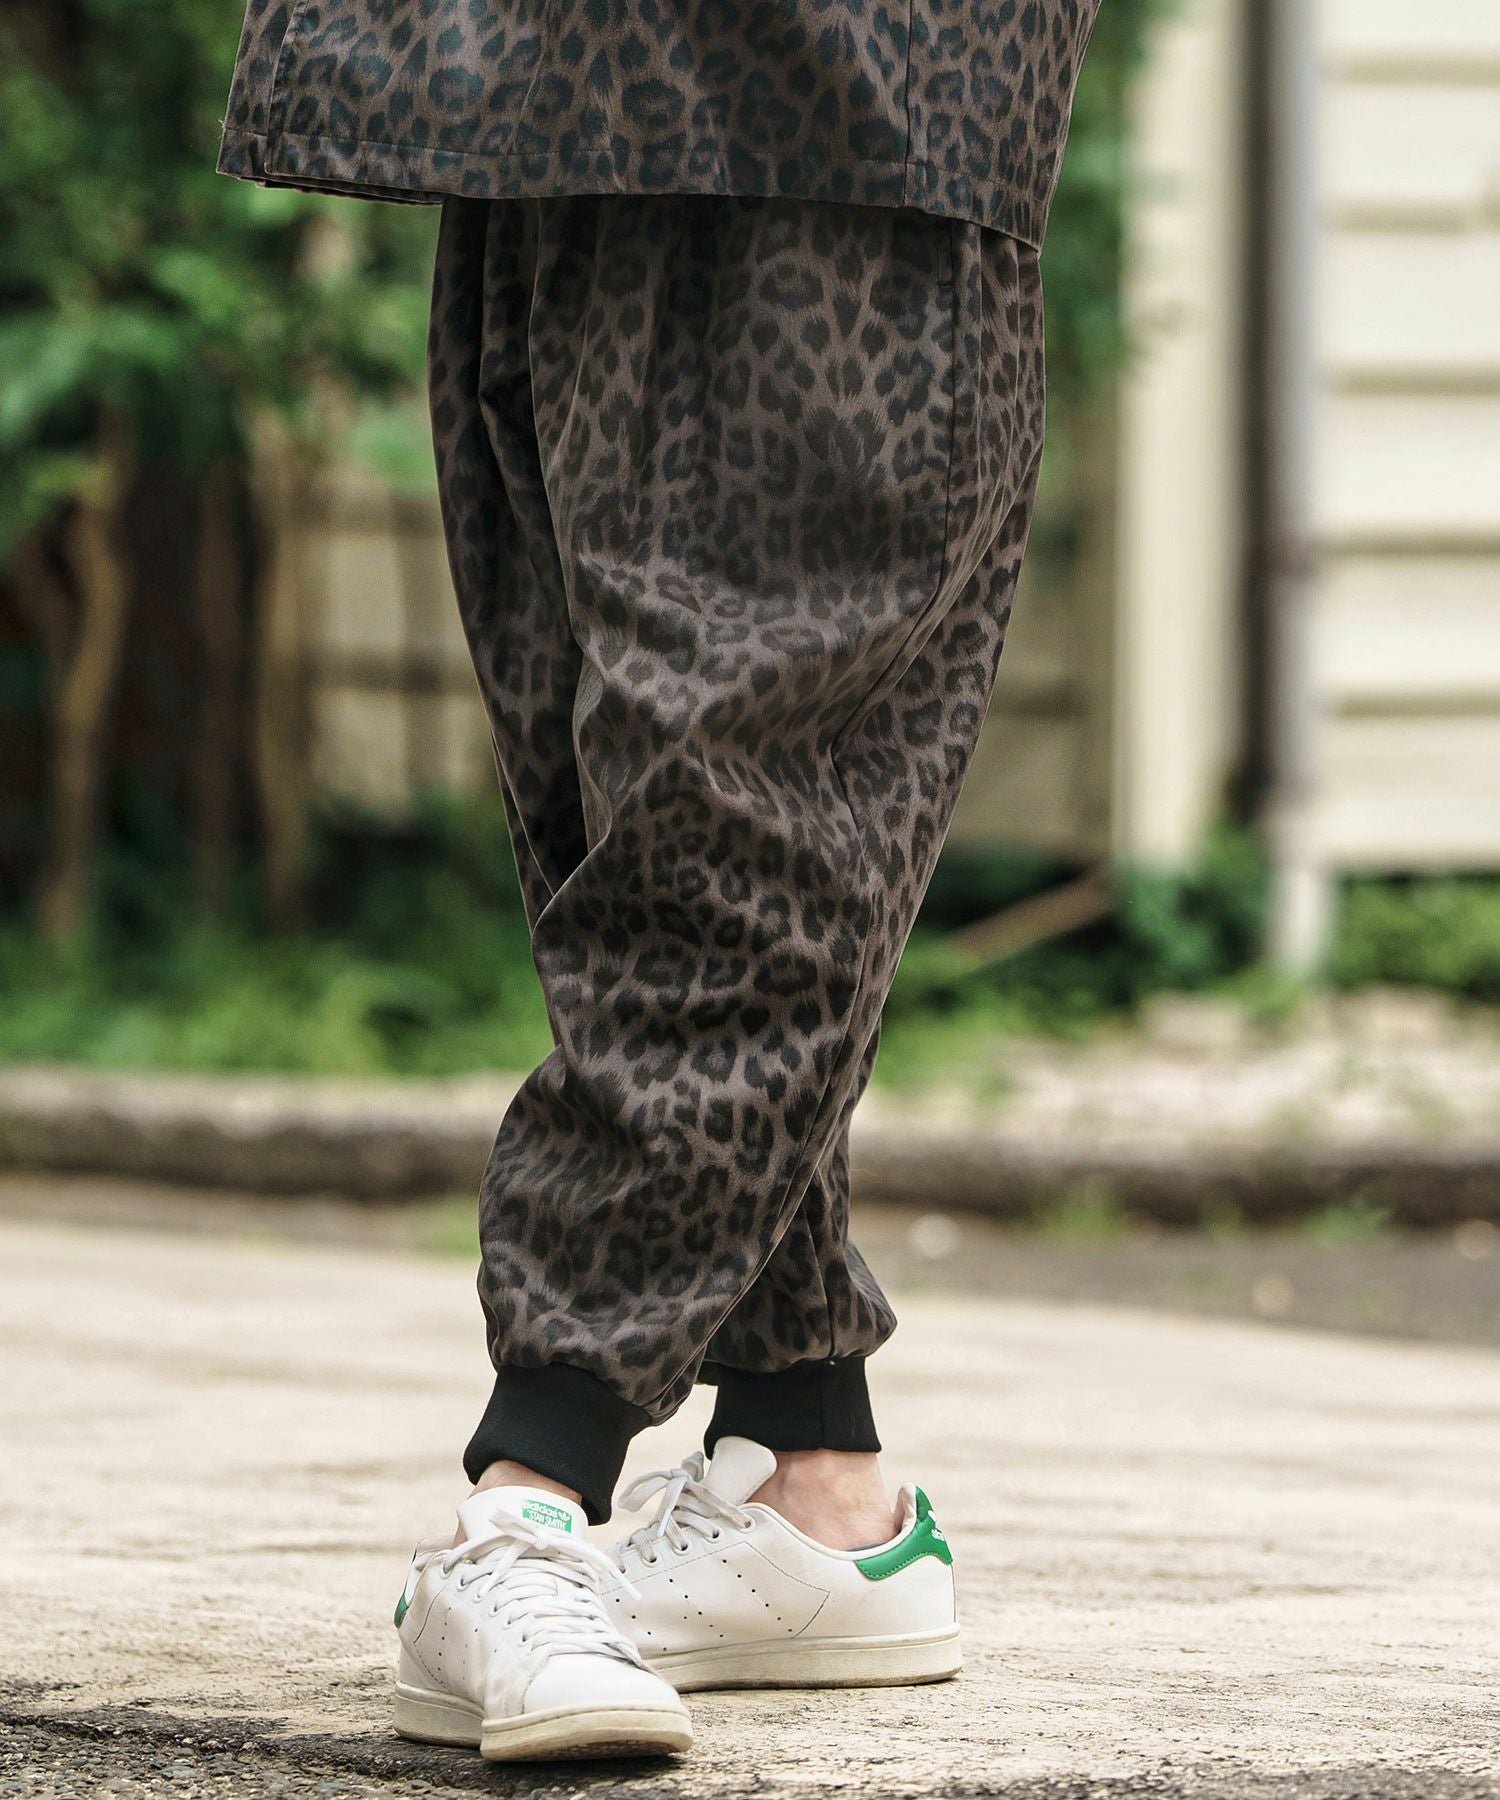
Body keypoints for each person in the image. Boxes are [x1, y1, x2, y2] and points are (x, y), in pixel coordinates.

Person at [218, 0, 1099, 1761]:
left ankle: (532, 1482)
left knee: (747, 796)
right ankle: (810, 1477)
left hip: (824, 82)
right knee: (612, 797)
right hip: (541, 88)